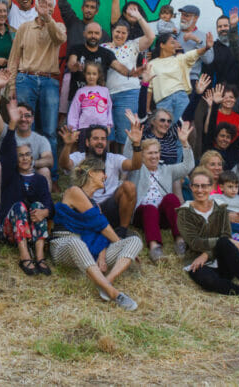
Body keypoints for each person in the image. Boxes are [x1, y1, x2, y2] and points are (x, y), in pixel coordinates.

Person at [51, 157, 143, 310]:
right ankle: (113, 293)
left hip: (89, 252)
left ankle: (107, 281)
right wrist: (118, 243)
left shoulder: (94, 205)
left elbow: (100, 234)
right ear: (91, 173)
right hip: (64, 245)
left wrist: (122, 248)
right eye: (102, 172)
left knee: (135, 241)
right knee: (77, 243)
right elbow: (101, 225)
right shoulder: (74, 191)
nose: (105, 176)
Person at [177, 167, 239, 306]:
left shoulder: (220, 207)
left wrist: (207, 254)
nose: (200, 190)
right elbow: (194, 242)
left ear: (211, 186)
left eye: (204, 186)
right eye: (196, 186)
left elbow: (225, 235)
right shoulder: (184, 212)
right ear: (191, 187)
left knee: (225, 241)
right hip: (196, 261)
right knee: (209, 282)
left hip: (220, 258)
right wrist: (209, 252)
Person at [0, 95, 54, 276]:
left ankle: (40, 256)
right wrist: (11, 123)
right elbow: (6, 152)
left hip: (31, 226)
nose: (25, 158)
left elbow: (49, 203)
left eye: (28, 155)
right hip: (10, 230)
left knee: (38, 206)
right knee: (19, 207)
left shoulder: (39, 179)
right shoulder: (11, 177)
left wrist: (45, 212)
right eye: (21, 156)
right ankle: (24, 256)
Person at [7, 0, 66, 163]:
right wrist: (11, 86)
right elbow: (14, 59)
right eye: (42, 3)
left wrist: (48, 19)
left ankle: (51, 173)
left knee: (49, 129)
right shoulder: (24, 28)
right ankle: (24, 167)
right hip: (25, 79)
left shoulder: (58, 26)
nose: (45, 7)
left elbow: (59, 39)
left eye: (49, 5)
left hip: (49, 81)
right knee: (25, 126)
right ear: (35, 5)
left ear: (53, 10)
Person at [127, 122, 195, 261]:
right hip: (143, 214)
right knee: (150, 208)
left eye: (156, 152)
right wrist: (133, 141)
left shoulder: (167, 170)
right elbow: (129, 156)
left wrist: (184, 143)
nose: (154, 156)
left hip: (162, 216)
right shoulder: (137, 168)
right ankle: (155, 248)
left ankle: (180, 241)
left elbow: (188, 166)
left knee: (171, 198)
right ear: (143, 155)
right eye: (150, 153)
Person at [58, 124, 139, 237]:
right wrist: (67, 145)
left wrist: (136, 144)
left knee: (129, 187)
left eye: (103, 139)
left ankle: (122, 231)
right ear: (87, 142)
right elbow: (64, 164)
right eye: (95, 138)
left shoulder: (114, 158)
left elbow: (135, 165)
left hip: (109, 207)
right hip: (84, 208)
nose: (100, 142)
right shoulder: (78, 157)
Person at [103, 0, 153, 149]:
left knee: (125, 136)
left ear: (127, 35)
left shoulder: (132, 45)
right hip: (107, 95)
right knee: (107, 134)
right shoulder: (103, 47)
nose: (120, 35)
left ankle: (125, 168)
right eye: (117, 32)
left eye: (123, 33)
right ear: (113, 31)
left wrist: (138, 17)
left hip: (129, 93)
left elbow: (151, 36)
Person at [146, 32, 212, 123]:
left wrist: (206, 48)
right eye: (172, 43)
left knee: (181, 129)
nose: (175, 45)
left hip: (181, 99)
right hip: (163, 102)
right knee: (164, 131)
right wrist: (147, 109)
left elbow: (194, 54)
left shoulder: (179, 59)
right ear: (162, 45)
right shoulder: (152, 64)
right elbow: (149, 88)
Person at [67, 62, 113, 144]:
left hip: (102, 127)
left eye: (94, 74)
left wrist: (108, 125)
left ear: (98, 75)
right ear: (84, 74)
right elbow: (74, 111)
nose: (91, 76)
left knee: (100, 152)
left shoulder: (104, 91)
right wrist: (73, 129)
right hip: (84, 128)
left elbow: (109, 110)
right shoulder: (80, 92)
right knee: (83, 153)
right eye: (88, 73)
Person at [174, 5, 214, 84]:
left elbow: (208, 60)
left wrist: (197, 40)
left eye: (186, 15)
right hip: (171, 78)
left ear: (195, 18)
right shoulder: (174, 33)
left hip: (190, 79)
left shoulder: (203, 36)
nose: (183, 18)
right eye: (182, 14)